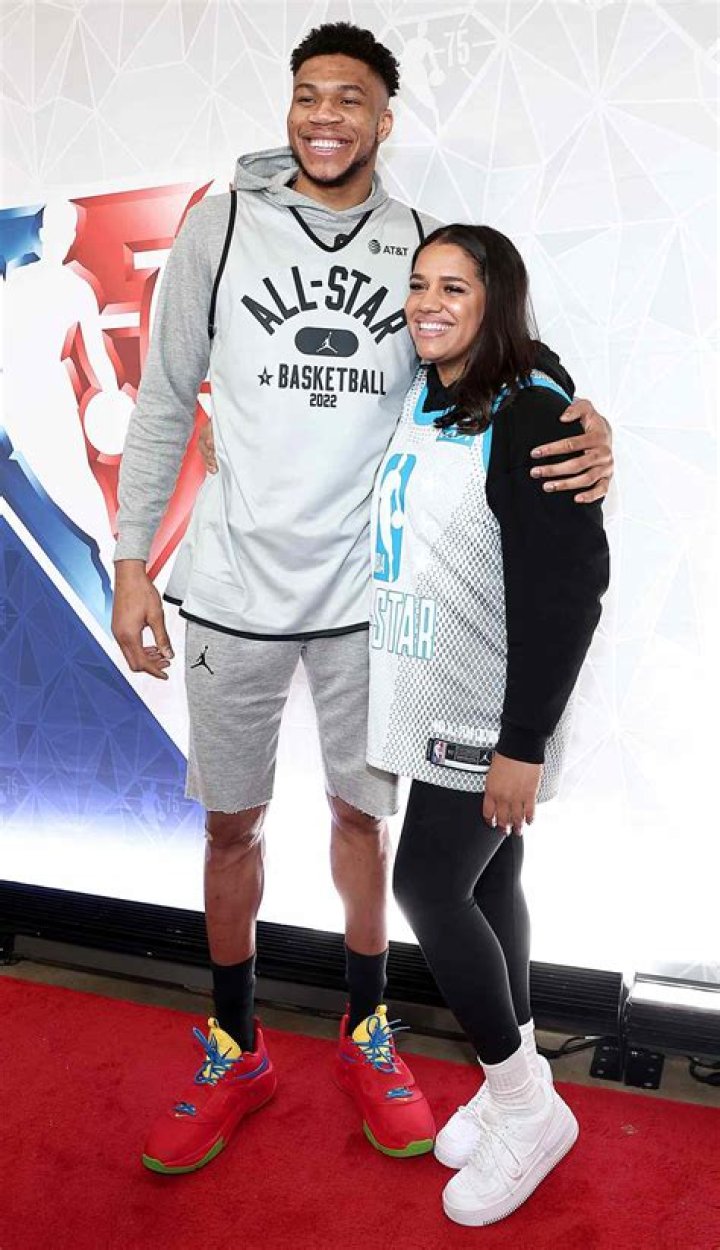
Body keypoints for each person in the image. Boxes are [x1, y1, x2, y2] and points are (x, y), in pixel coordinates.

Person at [112, 21, 614, 1175]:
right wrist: (134, 558)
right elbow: (164, 397)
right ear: (289, 107)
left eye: (350, 98)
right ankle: (235, 1043)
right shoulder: (217, 226)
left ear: (386, 119)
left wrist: (580, 418)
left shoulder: (410, 241)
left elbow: (480, 359)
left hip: (366, 601)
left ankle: (367, 1026)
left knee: (361, 822)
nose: (325, 115)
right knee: (230, 824)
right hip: (232, 584)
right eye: (307, 94)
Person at [366, 224, 609, 1226]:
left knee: (426, 885)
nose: (428, 302)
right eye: (419, 283)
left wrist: (523, 744)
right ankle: (520, 1078)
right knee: (489, 880)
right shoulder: (434, 392)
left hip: (484, 710)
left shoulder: (531, 413)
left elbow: (571, 590)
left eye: (454, 288)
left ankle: (522, 1102)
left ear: (495, 298)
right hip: (430, 693)